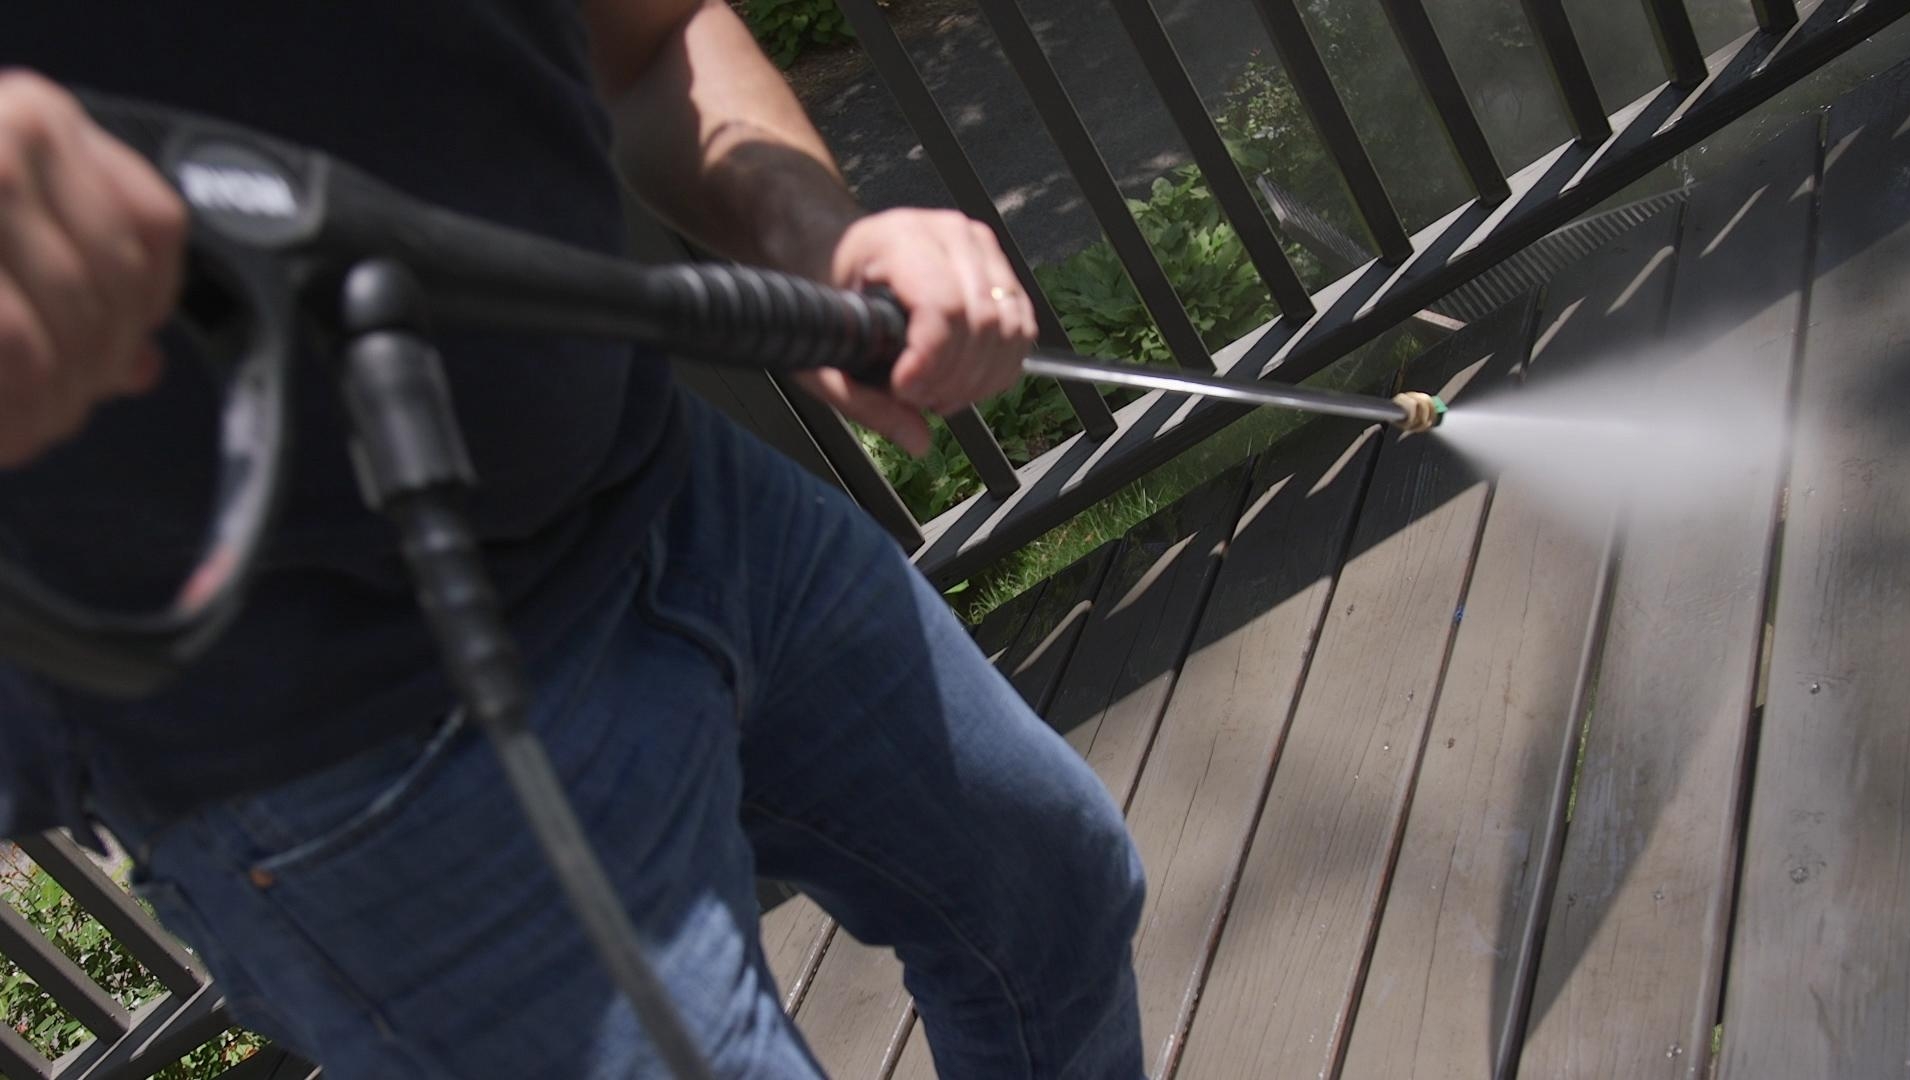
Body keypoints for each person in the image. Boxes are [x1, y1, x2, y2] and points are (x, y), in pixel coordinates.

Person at [0, 3, 1147, 1076]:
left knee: (1055, 899)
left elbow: (653, 38)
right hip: (323, 743)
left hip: (679, 496)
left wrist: (811, 233)